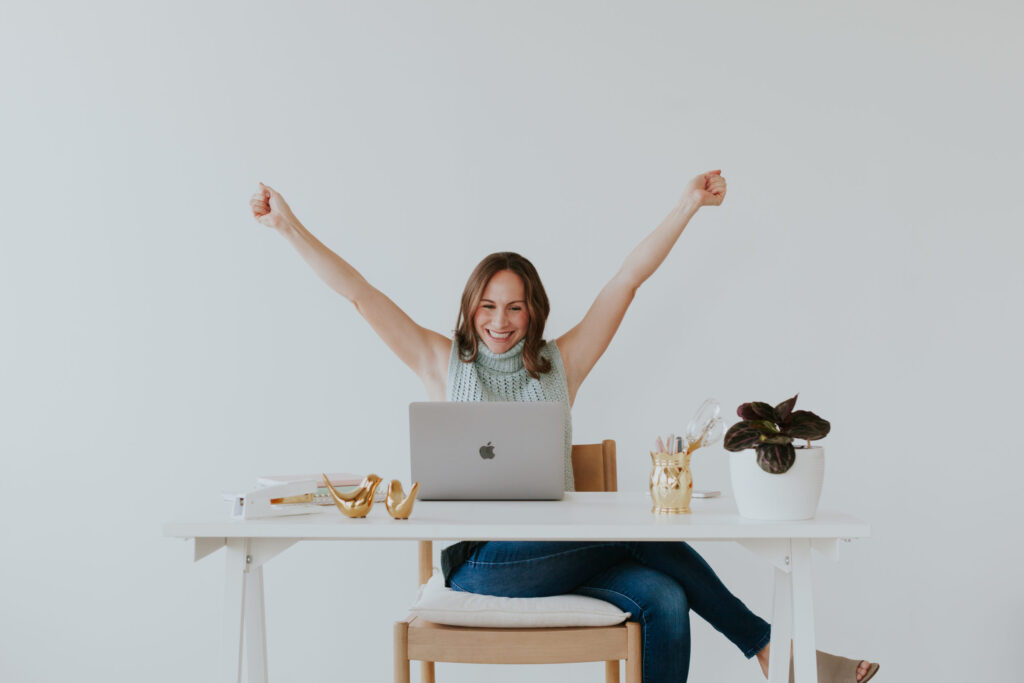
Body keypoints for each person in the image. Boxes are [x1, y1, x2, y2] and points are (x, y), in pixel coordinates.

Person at [249, 172, 878, 683]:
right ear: (472, 308)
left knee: (663, 598)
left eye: (515, 306)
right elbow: (359, 293)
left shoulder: (561, 365)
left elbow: (625, 283)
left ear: (533, 311)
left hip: (566, 553)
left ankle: (776, 656)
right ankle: (775, 653)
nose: (500, 320)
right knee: (645, 536)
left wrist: (686, 206)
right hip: (482, 564)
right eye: (488, 305)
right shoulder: (438, 363)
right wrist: (288, 227)